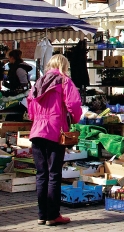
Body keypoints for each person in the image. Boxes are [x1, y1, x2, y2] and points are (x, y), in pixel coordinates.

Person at [27, 54, 82, 226]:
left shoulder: (39, 82)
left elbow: (30, 104)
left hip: (37, 131)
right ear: (64, 66)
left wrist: (36, 119)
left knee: (41, 175)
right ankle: (53, 215)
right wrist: (74, 119)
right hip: (55, 132)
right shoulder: (64, 81)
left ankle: (42, 214)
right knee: (54, 174)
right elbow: (74, 104)